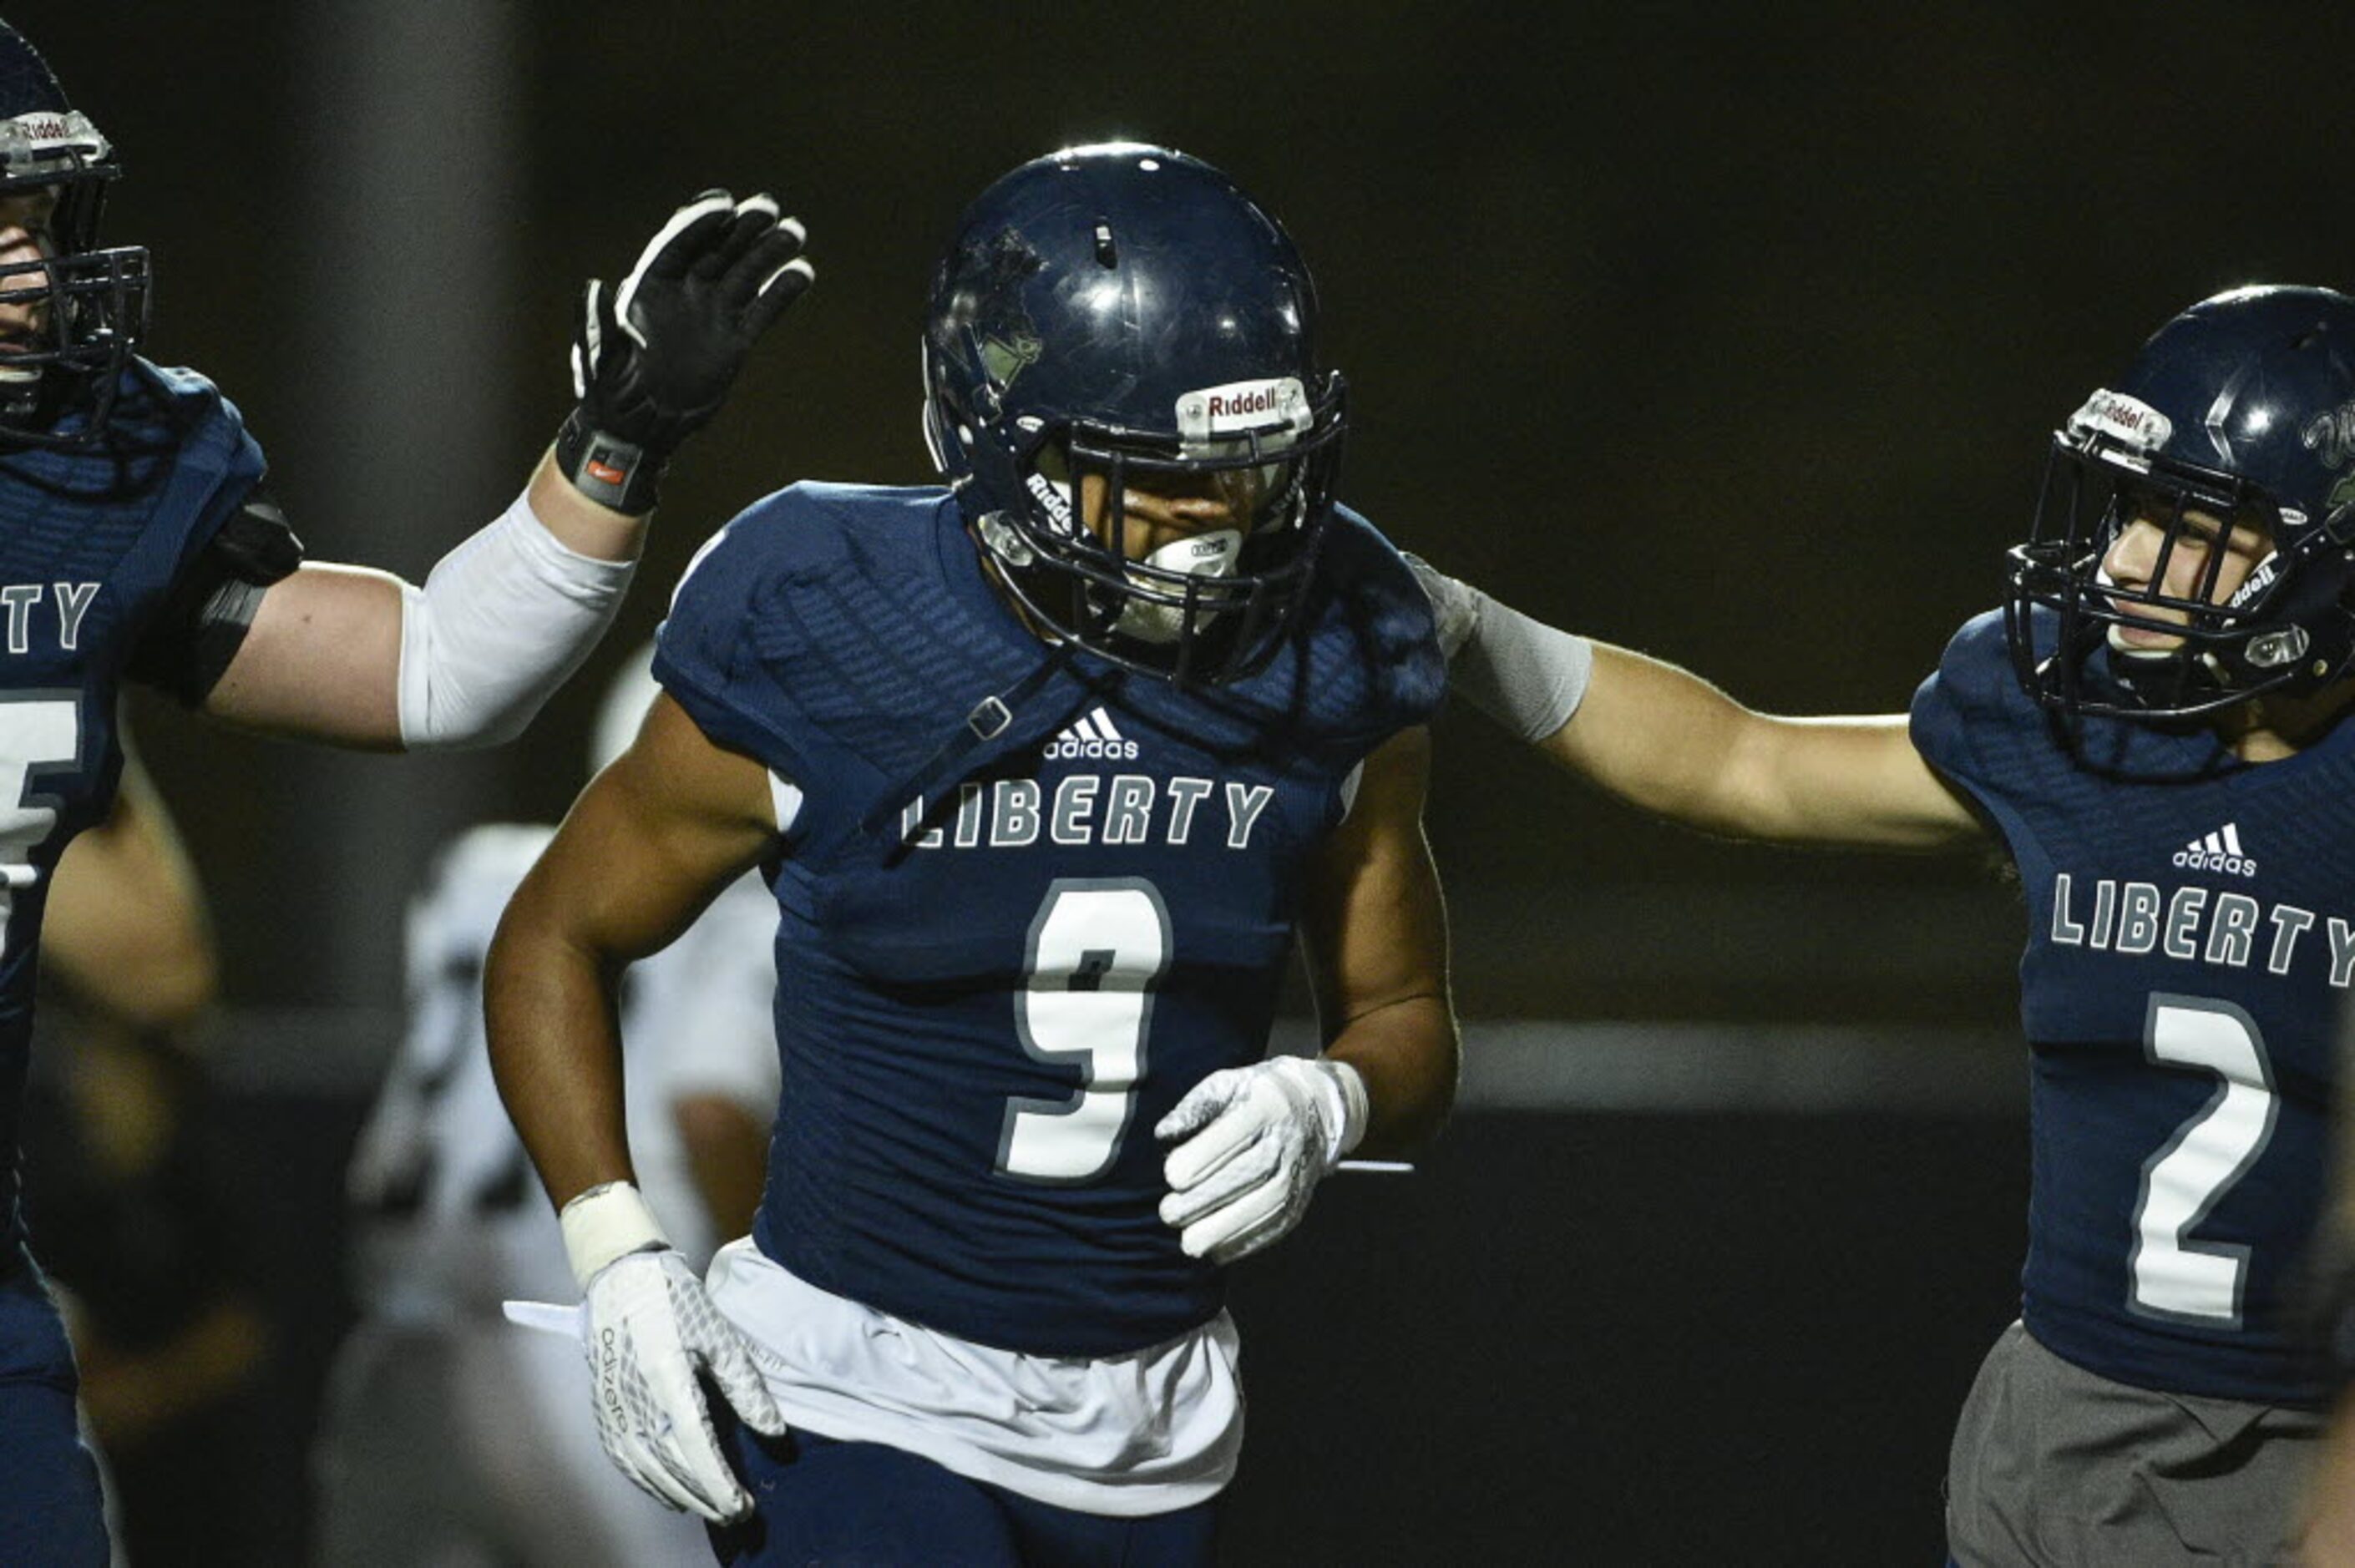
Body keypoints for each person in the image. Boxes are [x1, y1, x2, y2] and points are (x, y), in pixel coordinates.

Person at [484, 142, 1457, 1565]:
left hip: (1154, 1416)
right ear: (1013, 452)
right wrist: (617, 1249)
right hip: (848, 1380)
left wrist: (1334, 1098)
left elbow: (1409, 1021)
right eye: (1159, 479)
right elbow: (552, 936)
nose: (1221, 526)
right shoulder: (833, 619)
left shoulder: (1336, 640)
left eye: (1250, 472)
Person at [0, 18, 813, 1562]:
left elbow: (435, 665)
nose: (33, 279)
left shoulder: (86, 486)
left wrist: (616, 441)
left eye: (34, 227)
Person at [1413, 282, 2355, 1564]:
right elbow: (1741, 763)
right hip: (2062, 1431)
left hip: (2311, 1450)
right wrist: (1465, 627)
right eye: (2133, 506)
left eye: (2193, 526)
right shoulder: (2069, 720)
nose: (2130, 557)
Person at [313, 644, 781, 1567]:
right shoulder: (743, 915)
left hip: (395, 1340)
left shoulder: (481, 870)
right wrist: (772, 1310)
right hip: (598, 1343)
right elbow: (708, 1110)